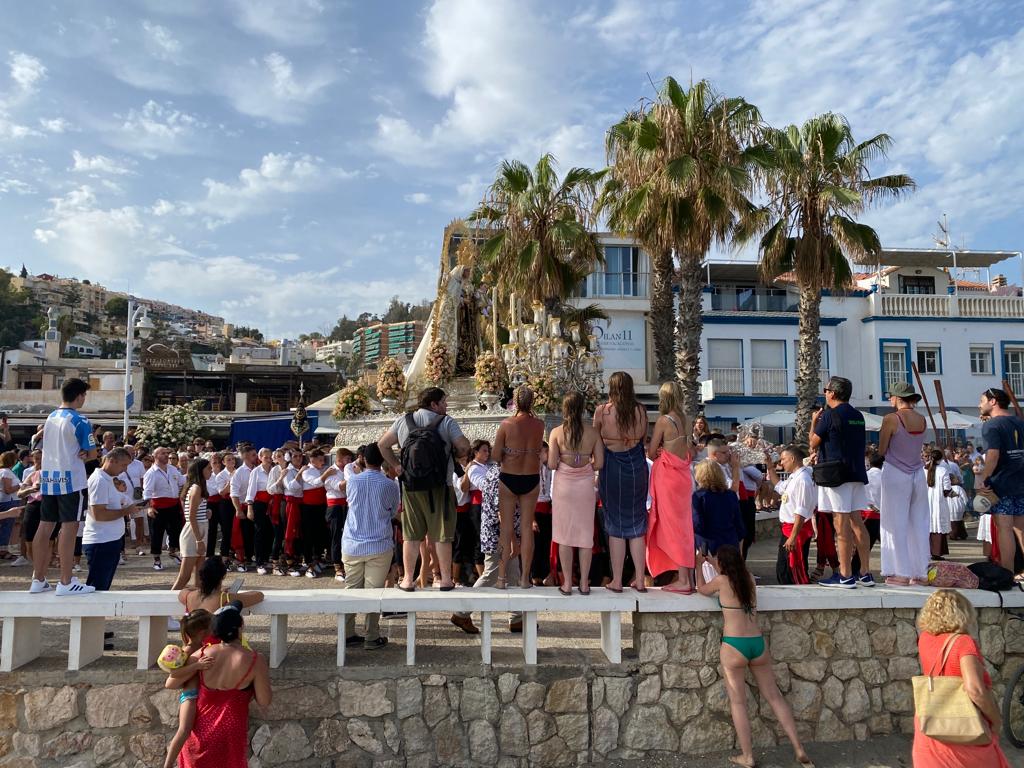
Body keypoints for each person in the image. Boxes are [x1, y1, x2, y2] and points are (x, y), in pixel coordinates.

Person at [696, 545, 813, 768]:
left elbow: (701, 588)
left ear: (722, 565)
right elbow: (732, 573)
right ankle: (799, 748)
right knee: (775, 697)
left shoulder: (721, 582)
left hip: (734, 645)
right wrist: (713, 562)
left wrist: (699, 566)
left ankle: (747, 756)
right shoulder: (749, 578)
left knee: (738, 702)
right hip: (757, 644)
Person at [378, 387, 471, 592]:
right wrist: (453, 454)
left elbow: (382, 445)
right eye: (444, 402)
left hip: (411, 486)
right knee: (442, 535)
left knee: (411, 535)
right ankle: (446, 579)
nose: (446, 406)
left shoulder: (404, 421)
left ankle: (408, 579)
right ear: (433, 404)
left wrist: (397, 466)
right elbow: (464, 447)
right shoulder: (446, 422)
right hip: (440, 485)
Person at [912, 589, 1010, 768]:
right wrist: (996, 720)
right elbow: (975, 690)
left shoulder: (925, 638)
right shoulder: (963, 643)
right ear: (963, 613)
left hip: (931, 724)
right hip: (963, 726)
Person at [176, 602, 272, 768]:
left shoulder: (202, 654)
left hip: (198, 735)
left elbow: (174, 681)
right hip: (231, 737)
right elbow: (264, 700)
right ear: (241, 626)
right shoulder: (256, 660)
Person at [31, 378, 98, 595]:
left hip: (49, 477)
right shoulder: (80, 420)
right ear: (79, 395)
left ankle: (38, 578)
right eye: (84, 395)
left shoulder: (51, 417)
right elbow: (93, 453)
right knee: (69, 528)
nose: (84, 399)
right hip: (71, 478)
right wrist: (85, 454)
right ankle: (66, 581)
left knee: (45, 525)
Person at [810, 376, 873, 588]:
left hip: (837, 476)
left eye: (826, 390)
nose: (825, 393)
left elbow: (812, 443)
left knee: (841, 524)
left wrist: (813, 422)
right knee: (857, 522)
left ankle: (845, 574)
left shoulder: (829, 415)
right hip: (856, 473)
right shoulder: (858, 415)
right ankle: (865, 572)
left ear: (833, 393)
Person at [593, 371, 649, 593]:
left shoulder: (603, 411)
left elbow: (596, 442)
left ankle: (617, 580)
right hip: (636, 465)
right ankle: (641, 578)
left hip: (613, 466)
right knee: (637, 524)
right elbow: (643, 439)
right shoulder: (640, 410)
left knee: (615, 524)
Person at [342, 443, 399, 650]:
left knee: (351, 589)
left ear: (363, 459)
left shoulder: (353, 481)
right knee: (373, 592)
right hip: (378, 543)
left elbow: (350, 503)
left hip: (352, 542)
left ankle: (347, 633)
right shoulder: (389, 484)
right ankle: (371, 636)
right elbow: (393, 511)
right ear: (382, 460)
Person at [548, 391, 604, 595]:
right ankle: (585, 584)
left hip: (564, 484)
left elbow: (552, 463)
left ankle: (567, 583)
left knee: (564, 535)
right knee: (585, 535)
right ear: (581, 409)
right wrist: (585, 463)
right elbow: (600, 463)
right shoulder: (593, 432)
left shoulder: (556, 432)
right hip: (585, 485)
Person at [876, 381, 929, 586]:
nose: (890, 399)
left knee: (894, 522)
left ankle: (900, 572)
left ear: (898, 398)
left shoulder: (891, 418)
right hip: (917, 472)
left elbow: (882, 450)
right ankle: (920, 573)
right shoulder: (922, 419)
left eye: (891, 396)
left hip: (896, 472)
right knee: (919, 522)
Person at [493, 385, 545, 589]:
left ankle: (501, 578)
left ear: (514, 402)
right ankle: (525, 579)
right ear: (532, 402)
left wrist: (509, 451)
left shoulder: (507, 424)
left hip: (509, 477)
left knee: (506, 529)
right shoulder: (539, 424)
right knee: (526, 529)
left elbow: (496, 456)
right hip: (530, 478)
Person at [646, 381, 695, 593]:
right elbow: (688, 447)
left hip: (667, 476)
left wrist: (658, 453)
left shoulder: (663, 421)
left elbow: (650, 452)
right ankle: (687, 577)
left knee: (672, 526)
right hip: (683, 475)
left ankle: (682, 579)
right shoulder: (687, 419)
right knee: (684, 526)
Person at [977, 387, 1024, 573]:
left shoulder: (991, 425)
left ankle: (1008, 573)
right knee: (1021, 529)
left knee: (1004, 529)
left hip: (1001, 484)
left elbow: (993, 455)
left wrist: (984, 479)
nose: (979, 405)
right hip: (1021, 481)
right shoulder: (1019, 421)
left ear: (993, 401)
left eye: (982, 401)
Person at [160, 609, 215, 768]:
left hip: (196, 695)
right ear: (202, 632)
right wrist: (197, 666)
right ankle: (168, 764)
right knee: (184, 730)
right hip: (190, 696)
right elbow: (174, 674)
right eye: (211, 628)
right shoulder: (188, 651)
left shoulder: (199, 646)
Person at [83, 447, 135, 592]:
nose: (124, 470)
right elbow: (98, 514)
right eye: (123, 465)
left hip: (109, 539)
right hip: (101, 541)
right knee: (97, 588)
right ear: (111, 461)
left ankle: (95, 615)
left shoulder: (109, 479)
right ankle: (92, 615)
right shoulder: (100, 480)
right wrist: (126, 511)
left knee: (101, 588)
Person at [766, 445, 814, 585]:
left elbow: (801, 511)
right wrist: (770, 467)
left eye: (783, 459)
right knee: (784, 568)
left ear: (792, 459)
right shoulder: (794, 477)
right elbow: (780, 487)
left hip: (795, 530)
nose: (781, 463)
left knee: (791, 569)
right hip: (789, 529)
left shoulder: (803, 480)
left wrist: (793, 537)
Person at [692, 460, 744, 560]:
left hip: (708, 548)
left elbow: (698, 525)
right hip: (731, 545)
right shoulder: (731, 495)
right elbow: (739, 526)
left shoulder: (698, 496)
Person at [144, 447, 186, 572]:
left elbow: (181, 481)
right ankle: (157, 559)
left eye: (167, 453)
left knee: (175, 531)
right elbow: (147, 492)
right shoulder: (151, 473)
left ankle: (173, 552)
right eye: (163, 453)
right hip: (158, 506)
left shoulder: (173, 469)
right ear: (155, 456)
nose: (166, 455)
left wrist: (192, 473)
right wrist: (150, 507)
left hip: (173, 505)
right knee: (157, 533)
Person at [172, 459, 212, 591]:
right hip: (193, 533)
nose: (210, 471)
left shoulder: (198, 487)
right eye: (208, 468)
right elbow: (190, 516)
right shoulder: (196, 488)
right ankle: (162, 607)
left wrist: (206, 512)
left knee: (199, 576)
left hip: (200, 528)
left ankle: (196, 607)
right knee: (184, 576)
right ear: (200, 471)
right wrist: (199, 540)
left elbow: (194, 512)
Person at [322, 447, 353, 582]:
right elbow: (340, 486)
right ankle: (337, 567)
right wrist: (354, 477)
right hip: (334, 506)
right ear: (339, 459)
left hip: (346, 505)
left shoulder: (347, 470)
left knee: (347, 535)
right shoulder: (331, 472)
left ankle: (346, 563)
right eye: (347, 459)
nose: (349, 462)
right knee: (336, 536)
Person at [244, 449, 275, 575]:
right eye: (266, 457)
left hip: (272, 503)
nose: (268, 459)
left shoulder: (274, 469)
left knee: (270, 531)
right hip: (259, 504)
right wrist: (250, 508)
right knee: (259, 532)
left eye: (270, 457)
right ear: (260, 457)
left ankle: (267, 558)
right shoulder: (256, 471)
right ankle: (259, 562)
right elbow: (251, 490)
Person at [228, 446, 256, 572]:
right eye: (253, 455)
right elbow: (234, 493)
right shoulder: (239, 472)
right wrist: (238, 510)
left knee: (254, 533)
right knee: (243, 533)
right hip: (243, 506)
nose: (255, 457)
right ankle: (241, 557)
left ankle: (251, 555)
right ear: (245, 456)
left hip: (257, 506)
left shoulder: (257, 469)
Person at [925, 449, 953, 559]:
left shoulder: (924, 469)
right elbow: (947, 489)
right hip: (939, 501)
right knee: (939, 524)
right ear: (941, 459)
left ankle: (928, 551)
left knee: (929, 524)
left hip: (927, 500)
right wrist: (952, 494)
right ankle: (937, 552)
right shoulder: (943, 470)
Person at [0, 451, 21, 560]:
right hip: (8, 501)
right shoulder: (6, 472)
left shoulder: (3, 471)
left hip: (5, 500)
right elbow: (8, 490)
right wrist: (20, 485)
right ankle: (2, 550)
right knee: (7, 526)